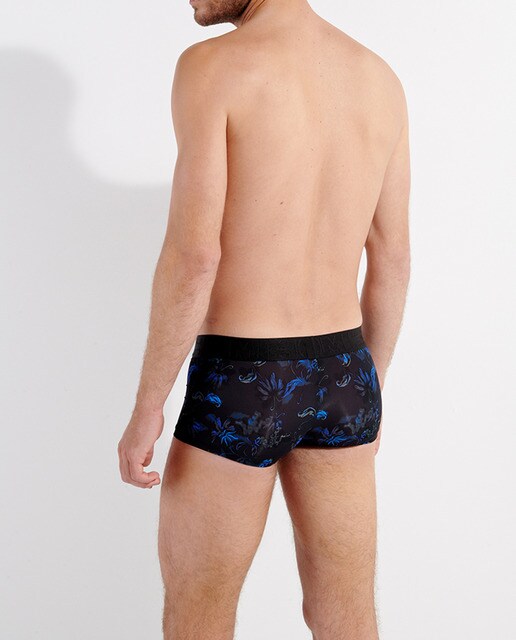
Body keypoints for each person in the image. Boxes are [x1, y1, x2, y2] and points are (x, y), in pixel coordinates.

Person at [117, 0, 411, 637]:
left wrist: (148, 405)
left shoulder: (213, 67)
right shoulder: (378, 78)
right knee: (345, 615)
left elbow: (195, 256)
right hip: (346, 375)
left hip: (242, 378)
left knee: (199, 613)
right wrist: (372, 389)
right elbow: (391, 258)